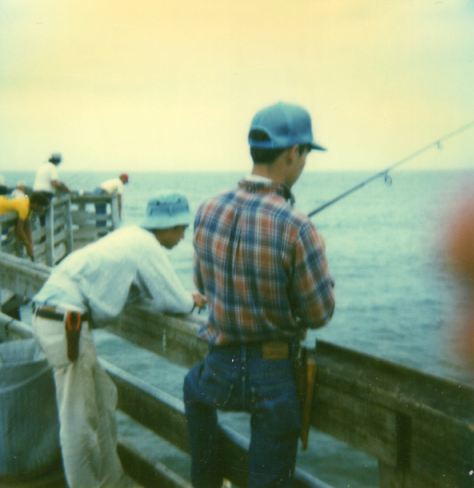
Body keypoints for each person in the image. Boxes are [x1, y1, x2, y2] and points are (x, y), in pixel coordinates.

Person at [184, 102, 336, 488]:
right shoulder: (297, 225)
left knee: (192, 388)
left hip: (220, 364)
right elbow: (320, 313)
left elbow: (202, 286)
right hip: (273, 374)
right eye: (305, 154)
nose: (304, 164)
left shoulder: (207, 209)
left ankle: (204, 480)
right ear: (292, 153)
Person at [32, 190, 206, 488]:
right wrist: (193, 301)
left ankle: (112, 481)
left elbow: (138, 294)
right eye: (181, 228)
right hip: (67, 322)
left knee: (102, 399)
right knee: (79, 422)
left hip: (51, 314)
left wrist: (181, 298)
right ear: (167, 226)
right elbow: (172, 301)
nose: (182, 236)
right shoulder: (146, 245)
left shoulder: (130, 236)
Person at [0, 191, 50, 257]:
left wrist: (30, 244)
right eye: (41, 206)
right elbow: (18, 230)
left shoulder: (27, 203)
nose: (41, 209)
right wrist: (27, 245)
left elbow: (27, 226)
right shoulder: (24, 207)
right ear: (35, 204)